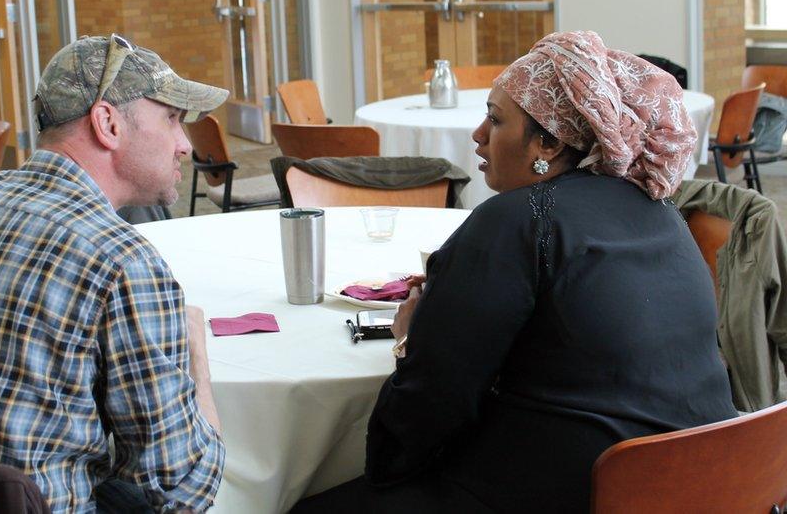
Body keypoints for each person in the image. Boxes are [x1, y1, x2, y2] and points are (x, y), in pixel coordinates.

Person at [292, 31, 739, 513]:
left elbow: (430, 405)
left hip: (587, 491)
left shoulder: (518, 220)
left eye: (496, 119)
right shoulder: (660, 210)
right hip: (711, 477)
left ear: (547, 140)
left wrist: (409, 338)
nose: (479, 135)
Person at [0, 34, 227, 513]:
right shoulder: (122, 261)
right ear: (107, 123)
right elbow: (181, 487)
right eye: (172, 119)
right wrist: (196, 354)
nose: (184, 145)